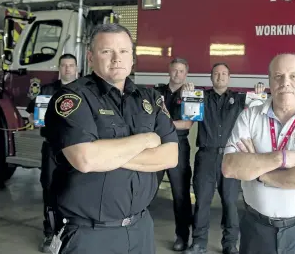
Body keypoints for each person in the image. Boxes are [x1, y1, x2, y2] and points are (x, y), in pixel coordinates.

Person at [44, 23, 179, 254]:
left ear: (132, 58)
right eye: (107, 51)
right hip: (90, 235)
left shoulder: (151, 99)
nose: (117, 58)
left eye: (124, 51)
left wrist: (107, 155)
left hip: (141, 230)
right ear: (90, 56)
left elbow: (171, 156)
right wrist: (146, 139)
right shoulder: (72, 98)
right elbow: (85, 159)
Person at [222, 53, 295, 254]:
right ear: (270, 81)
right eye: (278, 76)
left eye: (293, 76)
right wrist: (280, 158)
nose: (285, 82)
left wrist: (260, 172)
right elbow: (230, 166)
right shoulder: (250, 116)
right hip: (256, 230)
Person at [183, 63, 265, 254]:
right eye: (216, 74)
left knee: (229, 202)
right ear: (211, 77)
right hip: (206, 156)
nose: (220, 77)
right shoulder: (200, 98)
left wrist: (259, 92)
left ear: (229, 77)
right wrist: (185, 92)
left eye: (224, 74)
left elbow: (259, 106)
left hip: (231, 156)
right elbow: (188, 109)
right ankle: (198, 243)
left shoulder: (239, 99)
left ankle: (229, 244)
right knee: (202, 201)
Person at [25, 53, 78, 253]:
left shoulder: (85, 90)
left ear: (76, 68)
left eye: (71, 65)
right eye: (64, 65)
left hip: (77, 147)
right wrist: (35, 119)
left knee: (76, 187)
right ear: (59, 68)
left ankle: (72, 232)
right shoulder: (46, 91)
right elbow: (31, 113)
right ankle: (50, 233)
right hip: (52, 147)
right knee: (49, 188)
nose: (67, 69)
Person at [154, 58, 194, 251]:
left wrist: (162, 124)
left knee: (180, 193)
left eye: (181, 71)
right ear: (169, 71)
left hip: (178, 146)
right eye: (175, 70)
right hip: (156, 146)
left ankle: (182, 237)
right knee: (146, 188)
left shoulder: (190, 94)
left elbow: (187, 124)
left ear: (186, 74)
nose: (177, 74)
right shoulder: (156, 92)